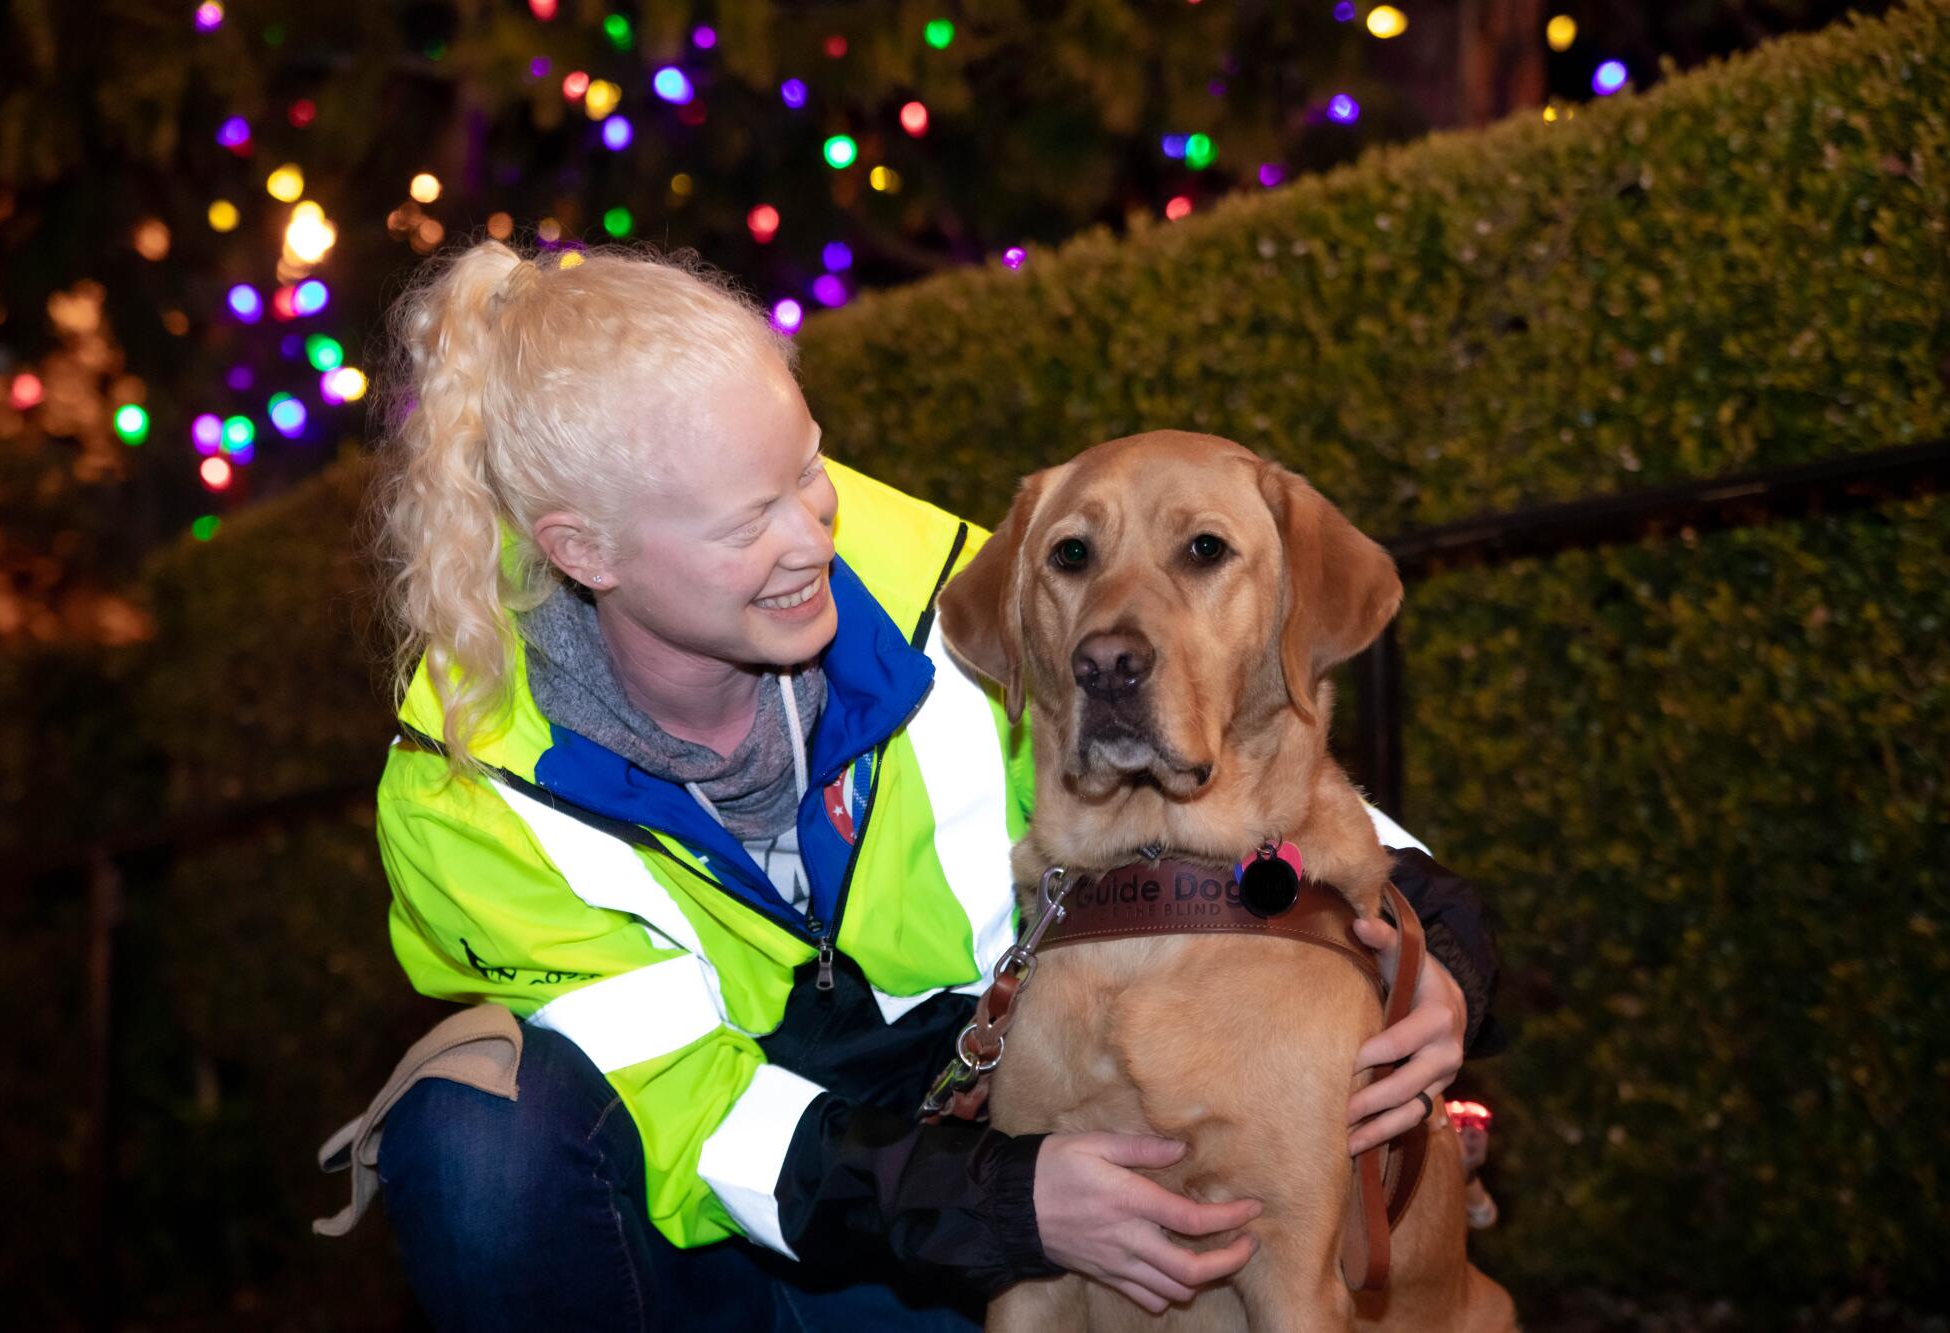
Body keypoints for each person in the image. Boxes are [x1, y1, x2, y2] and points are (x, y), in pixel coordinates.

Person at [355, 239, 1507, 1332]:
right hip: (760, 1222)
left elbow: (1287, 818)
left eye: (806, 470)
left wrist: (1441, 959)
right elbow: (703, 1125)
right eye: (748, 518)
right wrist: (1007, 1199)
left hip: (942, 1194)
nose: (812, 537)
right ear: (585, 552)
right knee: (473, 1139)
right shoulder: (468, 793)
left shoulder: (952, 606)